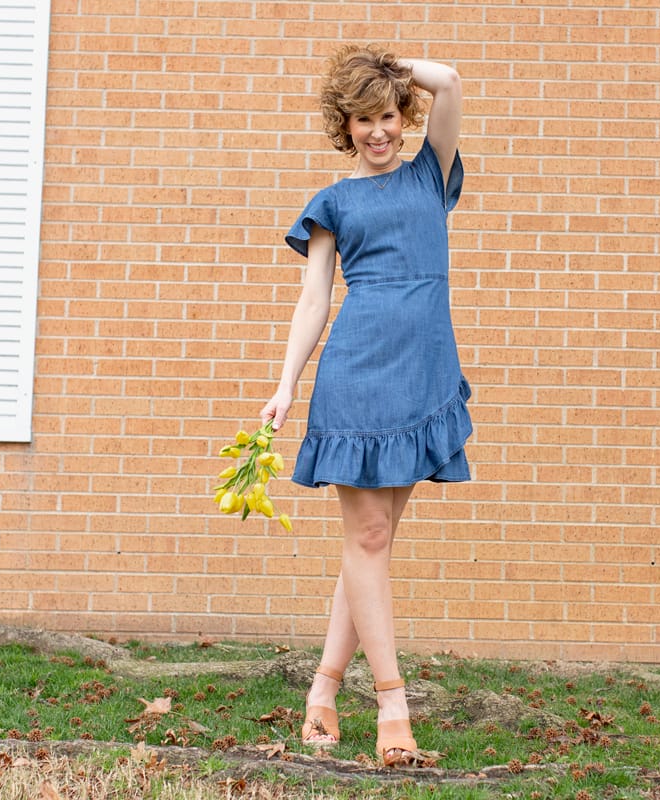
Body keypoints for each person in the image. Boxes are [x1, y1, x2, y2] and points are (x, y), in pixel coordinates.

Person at [259, 43, 471, 767]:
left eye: (387, 116)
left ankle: (322, 690)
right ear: (342, 124)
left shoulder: (429, 176)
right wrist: (286, 385)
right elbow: (314, 298)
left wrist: (385, 68)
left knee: (370, 549)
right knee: (370, 542)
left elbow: (449, 81)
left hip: (421, 379)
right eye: (362, 119)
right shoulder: (333, 203)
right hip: (356, 378)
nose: (378, 131)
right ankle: (391, 706)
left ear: (404, 117)